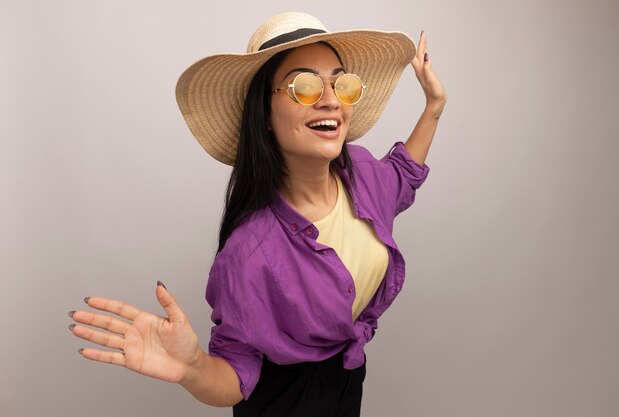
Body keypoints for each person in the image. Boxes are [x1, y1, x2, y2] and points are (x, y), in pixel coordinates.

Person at [68, 11, 446, 417]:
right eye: (304, 86)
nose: (332, 99)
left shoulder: (364, 175)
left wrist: (434, 107)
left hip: (347, 384)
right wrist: (192, 368)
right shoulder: (248, 254)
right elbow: (235, 374)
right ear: (264, 114)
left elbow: (403, 175)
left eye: (342, 83)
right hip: (283, 404)